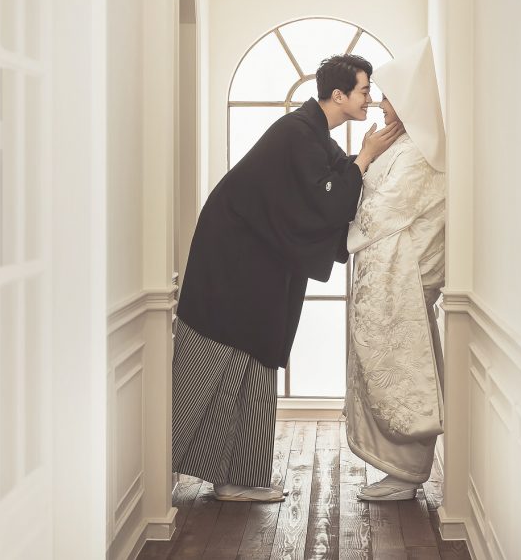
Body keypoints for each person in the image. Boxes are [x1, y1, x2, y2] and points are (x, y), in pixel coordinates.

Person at [173, 54, 403, 502]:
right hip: (232, 265)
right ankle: (225, 479)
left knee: (255, 359)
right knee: (228, 360)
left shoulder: (312, 132)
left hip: (256, 263)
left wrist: (365, 160)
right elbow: (328, 201)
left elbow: (335, 180)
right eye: (364, 90)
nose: (370, 99)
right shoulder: (297, 133)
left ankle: (236, 479)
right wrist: (365, 158)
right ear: (338, 95)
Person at [344, 38, 447, 501]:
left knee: (406, 369)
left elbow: (381, 211)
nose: (380, 106)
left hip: (408, 278)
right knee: (394, 367)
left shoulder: (419, 152)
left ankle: (407, 472)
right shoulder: (403, 145)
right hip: (397, 273)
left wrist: (339, 216)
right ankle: (400, 468)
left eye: (387, 98)